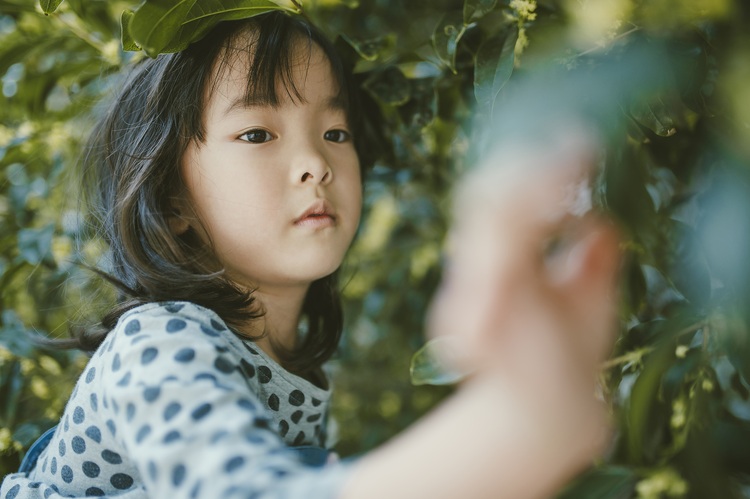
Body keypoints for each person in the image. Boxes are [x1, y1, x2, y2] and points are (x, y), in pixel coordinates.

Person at [0, 10, 622, 499]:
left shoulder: (289, 377)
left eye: (335, 132)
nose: (314, 165)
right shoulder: (158, 342)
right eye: (256, 134)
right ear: (170, 201)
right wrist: (523, 422)